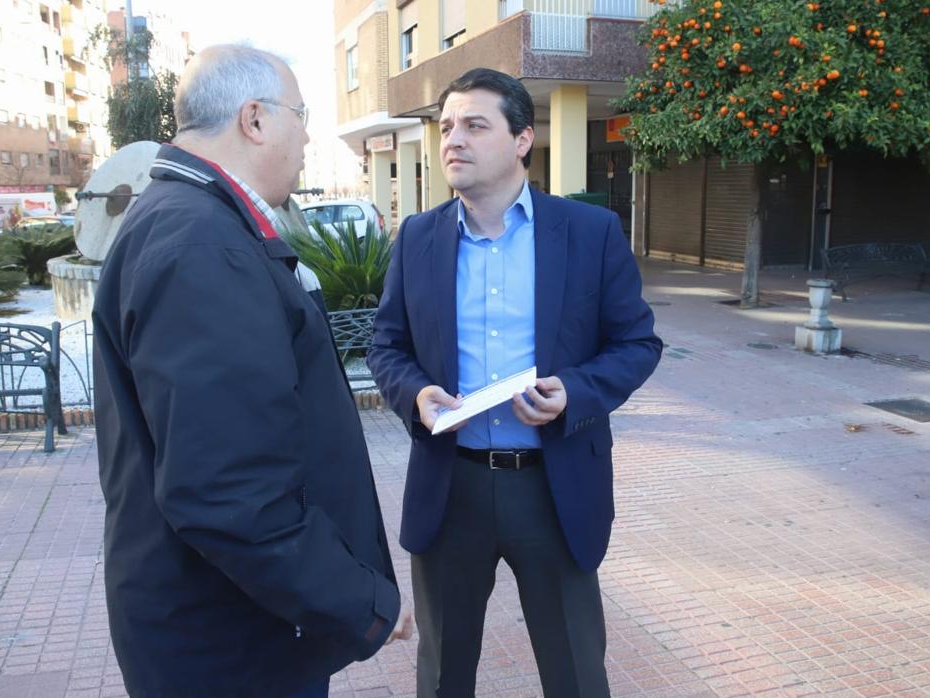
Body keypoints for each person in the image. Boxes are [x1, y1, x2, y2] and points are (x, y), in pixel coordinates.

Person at [92, 44, 411, 698]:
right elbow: (228, 495)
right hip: (229, 648)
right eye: (301, 115)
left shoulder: (190, 220)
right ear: (255, 119)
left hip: (226, 628)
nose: (307, 135)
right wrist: (362, 603)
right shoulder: (203, 244)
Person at [368, 68, 662, 697]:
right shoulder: (417, 238)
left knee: (577, 674)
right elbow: (386, 346)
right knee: (444, 674)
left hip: (553, 489)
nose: (454, 140)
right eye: (447, 126)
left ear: (523, 139)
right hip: (453, 485)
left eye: (475, 125)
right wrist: (416, 394)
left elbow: (638, 343)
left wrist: (575, 393)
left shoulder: (589, 233)